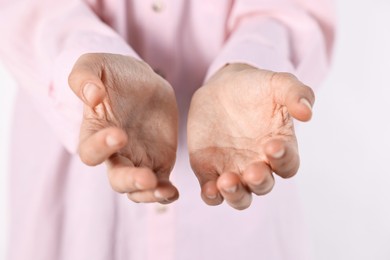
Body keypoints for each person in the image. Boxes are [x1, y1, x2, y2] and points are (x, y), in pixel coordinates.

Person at [0, 0, 334, 259]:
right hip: (75, 200)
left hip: (240, 165)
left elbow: (289, 8)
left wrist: (249, 62)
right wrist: (83, 57)